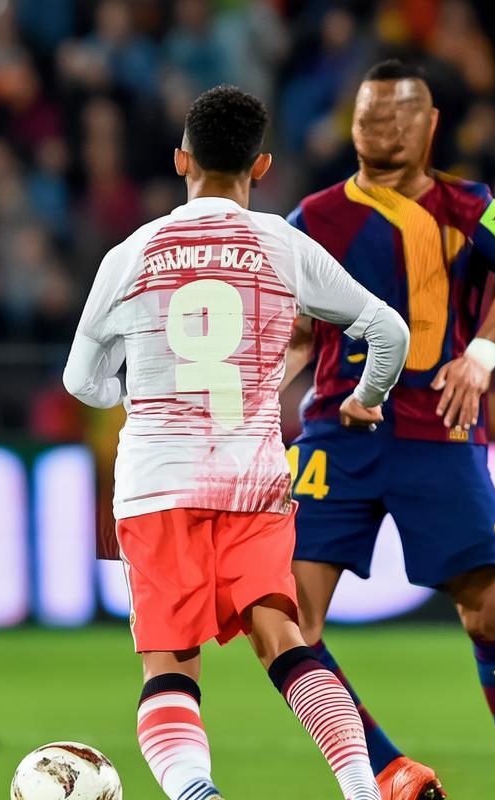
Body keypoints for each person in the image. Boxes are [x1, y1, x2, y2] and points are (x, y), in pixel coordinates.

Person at [64, 85, 411, 800]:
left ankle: (198, 792)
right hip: (252, 483)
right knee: (284, 640)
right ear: (261, 167)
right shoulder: (284, 245)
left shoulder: (131, 253)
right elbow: (388, 331)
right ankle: (361, 789)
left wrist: (131, 395)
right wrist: (366, 397)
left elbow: (80, 380)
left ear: (180, 159)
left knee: (169, 666)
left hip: (157, 486)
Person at [284, 60, 495, 800]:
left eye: (396, 114)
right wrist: (261, 391)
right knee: (287, 620)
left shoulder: (470, 206)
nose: (379, 127)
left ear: (430, 124)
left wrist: (483, 355)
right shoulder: (312, 219)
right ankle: (389, 767)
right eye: (367, 114)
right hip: (336, 434)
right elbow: (298, 333)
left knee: (488, 613)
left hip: (439, 430)